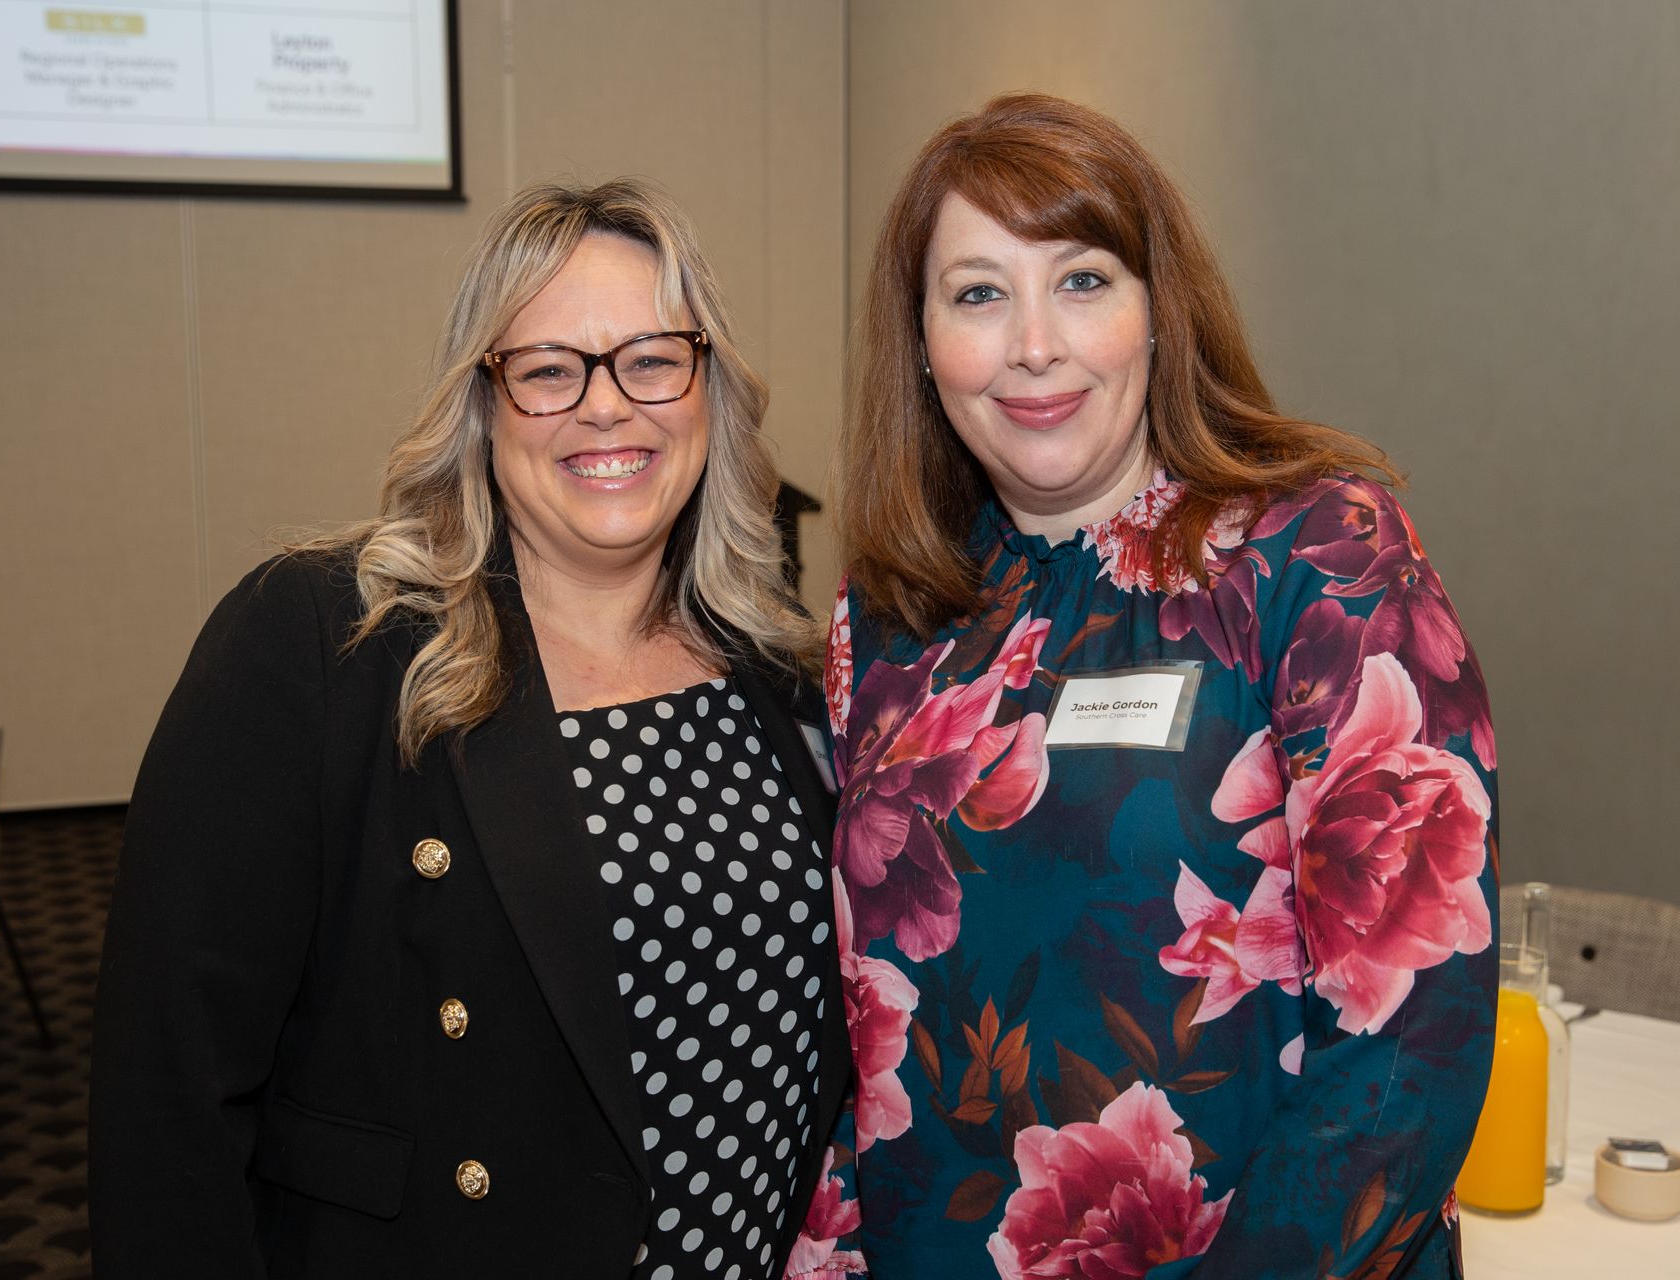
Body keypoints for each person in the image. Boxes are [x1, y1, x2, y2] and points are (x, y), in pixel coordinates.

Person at [89, 179, 851, 1280]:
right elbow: (168, 1092)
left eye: (650, 357)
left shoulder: (777, 675)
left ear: (708, 391)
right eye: (548, 369)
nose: (606, 404)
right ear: (483, 406)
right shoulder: (326, 643)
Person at [812, 94, 1499, 1278]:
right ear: (922, 342)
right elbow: (845, 1033)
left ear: (1156, 309)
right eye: (979, 293)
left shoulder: (1315, 558)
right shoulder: (883, 622)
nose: (1034, 342)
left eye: (1081, 280)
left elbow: (1411, 1047)